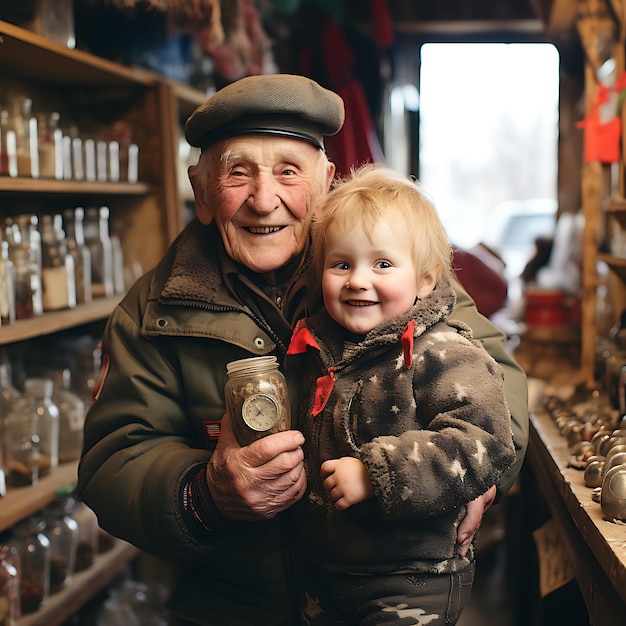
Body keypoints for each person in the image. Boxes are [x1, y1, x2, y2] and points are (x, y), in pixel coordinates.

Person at [76, 74, 528, 626]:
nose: (264, 200)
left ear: (324, 184)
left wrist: (473, 479)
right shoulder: (154, 308)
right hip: (233, 607)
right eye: (238, 173)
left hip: (383, 593)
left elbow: (495, 392)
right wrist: (205, 493)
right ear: (201, 190)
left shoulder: (386, 268)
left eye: (288, 171)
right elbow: (111, 461)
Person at [285, 164, 516, 625]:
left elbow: (484, 440)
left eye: (383, 264)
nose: (357, 280)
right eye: (341, 264)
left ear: (426, 280)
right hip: (326, 571)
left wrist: (377, 474)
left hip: (412, 576)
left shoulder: (445, 352)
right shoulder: (320, 348)